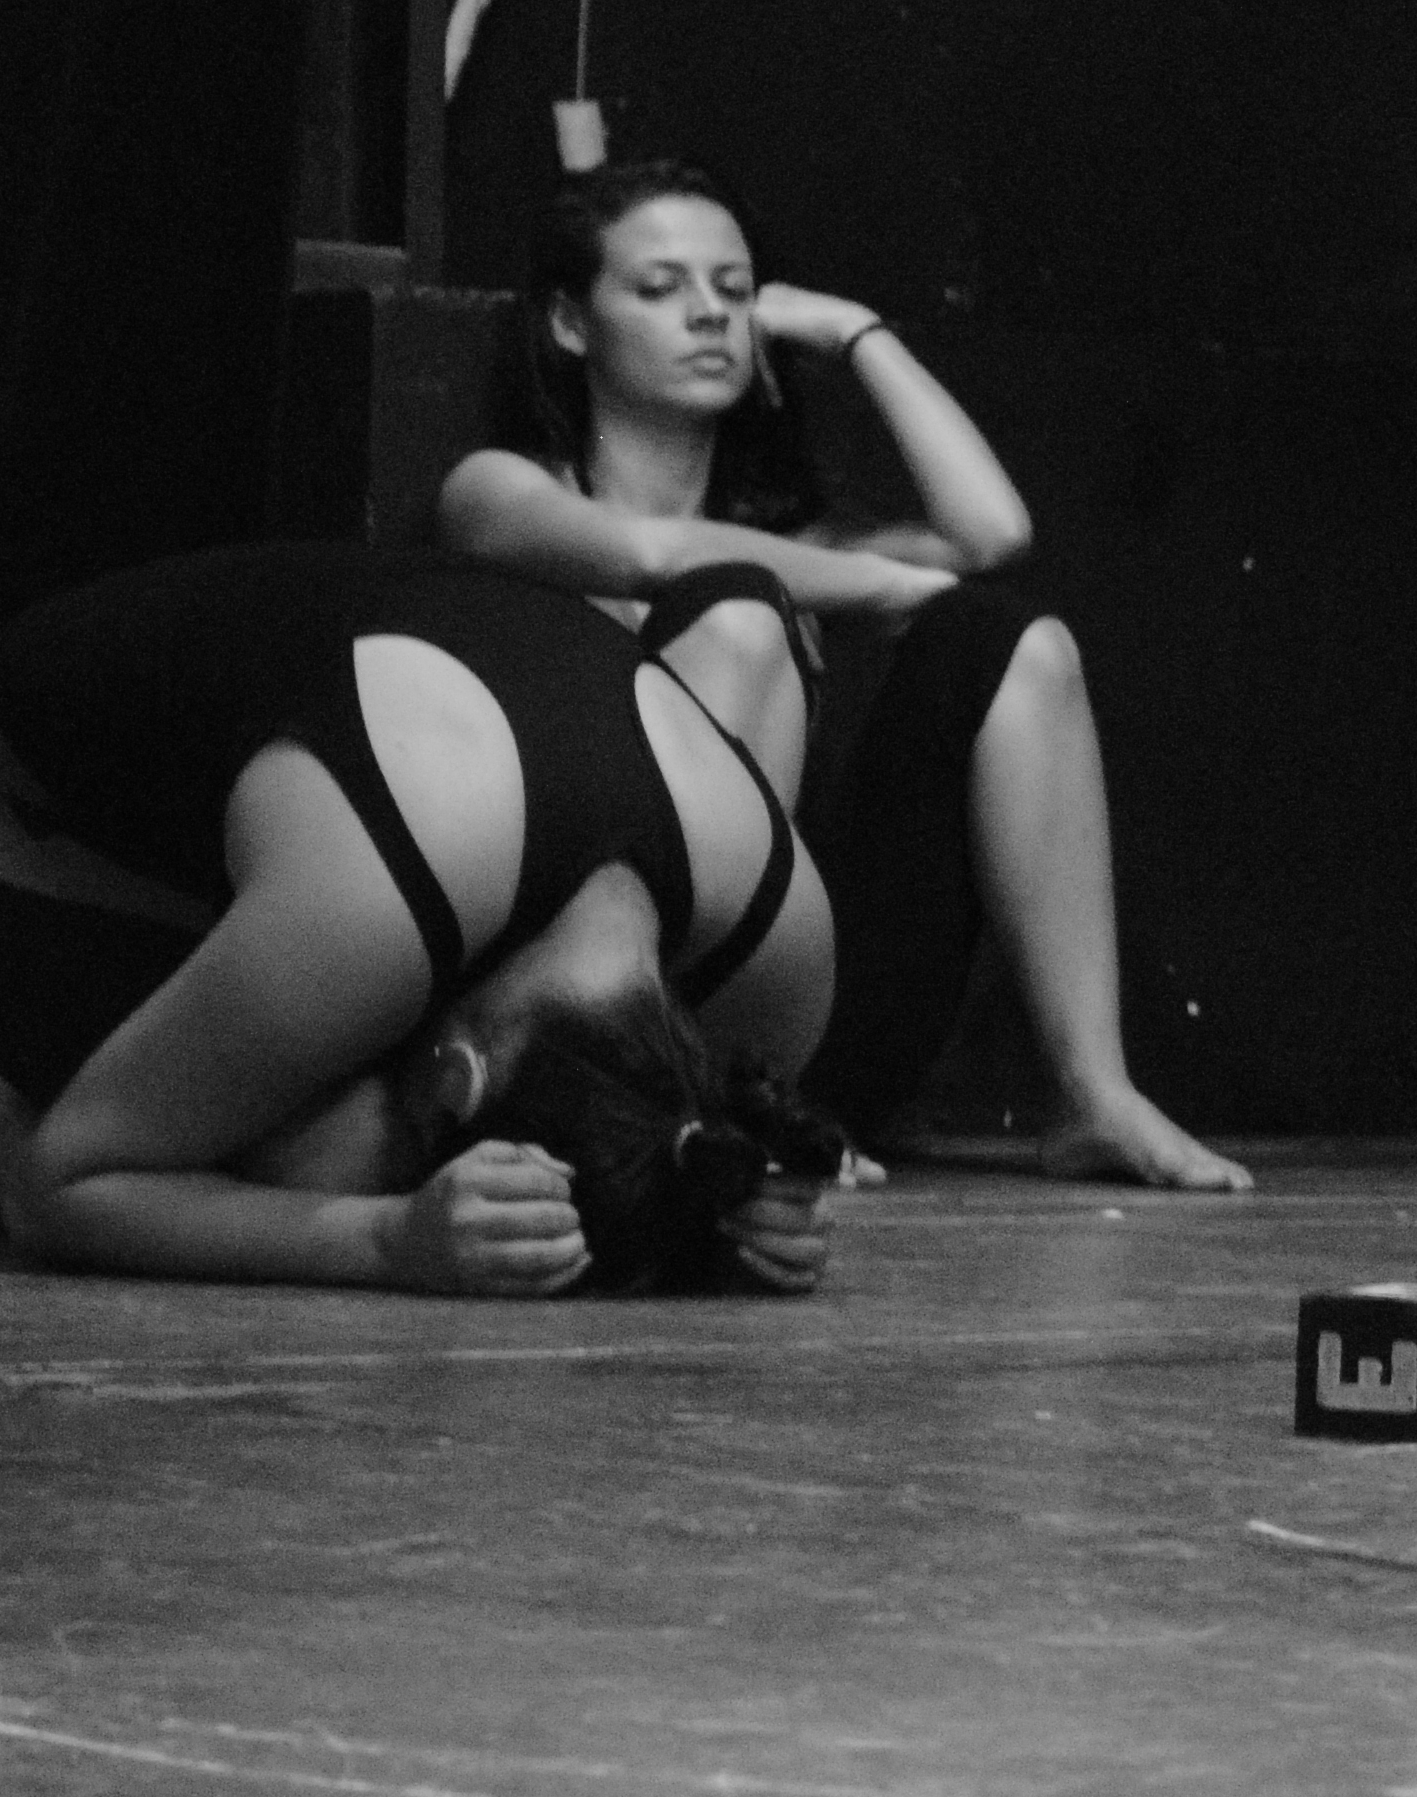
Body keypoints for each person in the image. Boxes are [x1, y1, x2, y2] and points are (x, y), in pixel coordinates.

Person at [438, 161, 1250, 1189]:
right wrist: (881, 585)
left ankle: (1093, 1094)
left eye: (734, 290)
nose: (709, 314)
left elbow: (991, 533)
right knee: (736, 615)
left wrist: (856, 332)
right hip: (591, 1033)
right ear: (568, 322)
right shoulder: (496, 491)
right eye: (660, 287)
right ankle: (686, 1101)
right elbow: (649, 555)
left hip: (797, 1031)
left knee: (1010, 642)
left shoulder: (803, 551)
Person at [0, 541, 836, 1293]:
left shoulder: (778, 953)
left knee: (333, 1093)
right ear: (456, 1071)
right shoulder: (373, 913)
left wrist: (724, 1205)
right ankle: (20, 1114)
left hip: (346, 802)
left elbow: (676, 1144)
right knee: (346, 1154)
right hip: (0, 779)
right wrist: (388, 1239)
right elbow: (57, 1191)